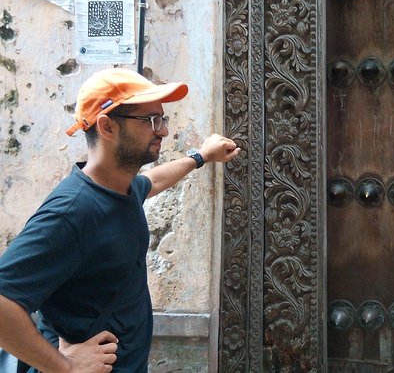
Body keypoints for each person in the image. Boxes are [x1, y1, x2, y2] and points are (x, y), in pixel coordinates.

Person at [0, 68, 240, 372]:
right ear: (107, 127)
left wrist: (201, 156)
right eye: (151, 120)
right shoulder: (73, 211)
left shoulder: (121, 189)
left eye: (162, 120)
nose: (163, 131)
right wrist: (65, 366)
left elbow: (152, 181)